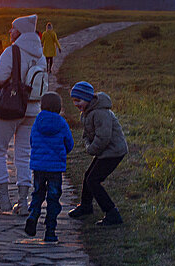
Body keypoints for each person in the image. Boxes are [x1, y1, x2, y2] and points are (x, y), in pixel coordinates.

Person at [0, 14, 48, 214]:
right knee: (23, 154)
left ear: (20, 31)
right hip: (32, 109)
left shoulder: (11, 51)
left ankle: (3, 198)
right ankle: (23, 202)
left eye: (13, 29)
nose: (10, 32)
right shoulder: (39, 53)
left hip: (10, 108)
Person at [67, 80, 127, 226]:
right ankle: (86, 206)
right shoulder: (87, 112)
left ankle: (112, 213)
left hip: (114, 151)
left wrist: (91, 149)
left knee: (93, 181)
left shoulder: (100, 113)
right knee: (89, 176)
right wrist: (89, 144)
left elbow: (103, 137)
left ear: (88, 98)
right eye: (74, 101)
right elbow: (88, 133)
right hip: (105, 151)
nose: (76, 104)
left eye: (79, 100)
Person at [24, 92, 74, 242]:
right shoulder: (61, 123)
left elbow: (32, 141)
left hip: (39, 167)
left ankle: (33, 214)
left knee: (38, 193)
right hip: (55, 169)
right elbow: (69, 143)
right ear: (59, 107)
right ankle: (50, 230)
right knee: (53, 198)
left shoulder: (38, 121)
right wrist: (63, 152)